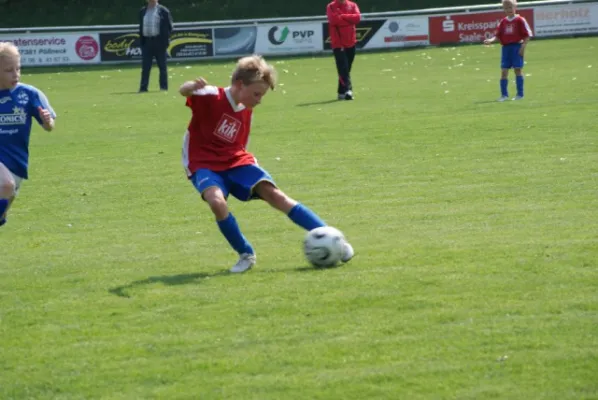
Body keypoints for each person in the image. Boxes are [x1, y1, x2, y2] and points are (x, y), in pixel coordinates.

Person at [179, 55, 354, 273]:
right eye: (257, 94)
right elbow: (184, 91)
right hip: (203, 162)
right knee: (217, 203)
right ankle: (245, 253)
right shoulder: (211, 96)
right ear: (240, 84)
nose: (259, 100)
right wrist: (192, 86)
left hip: (235, 159)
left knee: (276, 195)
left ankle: (333, 239)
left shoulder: (245, 104)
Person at [0, 42, 56, 227]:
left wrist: (47, 121)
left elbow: (49, 127)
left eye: (18, 68)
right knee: (6, 185)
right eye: (9, 70)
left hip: (17, 160)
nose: (15, 74)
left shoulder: (30, 94)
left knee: (8, 194)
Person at [484, 0, 532, 101]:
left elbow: (527, 35)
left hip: (516, 47)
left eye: (510, 7)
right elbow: (497, 35)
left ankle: (520, 94)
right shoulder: (503, 22)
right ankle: (504, 95)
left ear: (515, 7)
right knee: (504, 72)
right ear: (503, 9)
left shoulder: (520, 20)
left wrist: (523, 47)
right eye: (506, 8)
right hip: (506, 49)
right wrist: (490, 40)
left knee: (517, 70)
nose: (508, 10)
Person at [326, 0, 361, 101]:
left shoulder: (352, 5)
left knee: (346, 68)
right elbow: (333, 20)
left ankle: (341, 92)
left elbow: (357, 18)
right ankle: (348, 91)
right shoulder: (331, 6)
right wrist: (349, 19)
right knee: (343, 67)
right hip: (338, 43)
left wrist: (343, 16)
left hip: (351, 41)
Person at [138, 0, 173, 92]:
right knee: (145, 67)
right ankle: (143, 88)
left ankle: (163, 87)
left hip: (159, 42)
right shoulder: (143, 11)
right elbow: (141, 26)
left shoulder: (163, 10)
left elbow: (169, 27)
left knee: (162, 67)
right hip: (147, 42)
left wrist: (165, 41)